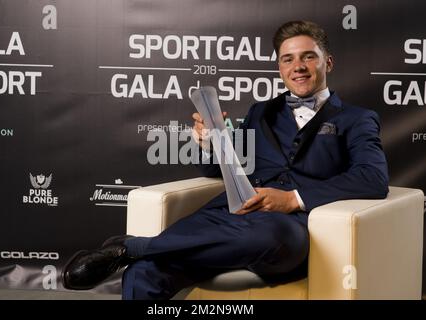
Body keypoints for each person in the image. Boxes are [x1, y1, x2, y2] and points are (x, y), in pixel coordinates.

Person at [62, 20, 389, 299]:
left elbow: (372, 178)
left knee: (270, 236)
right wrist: (209, 142)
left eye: (308, 57)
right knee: (144, 274)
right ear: (280, 68)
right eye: (287, 59)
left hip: (289, 229)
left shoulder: (357, 119)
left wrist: (292, 199)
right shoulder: (261, 112)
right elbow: (222, 169)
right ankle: (140, 255)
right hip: (227, 216)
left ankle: (130, 246)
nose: (297, 67)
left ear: (327, 63)